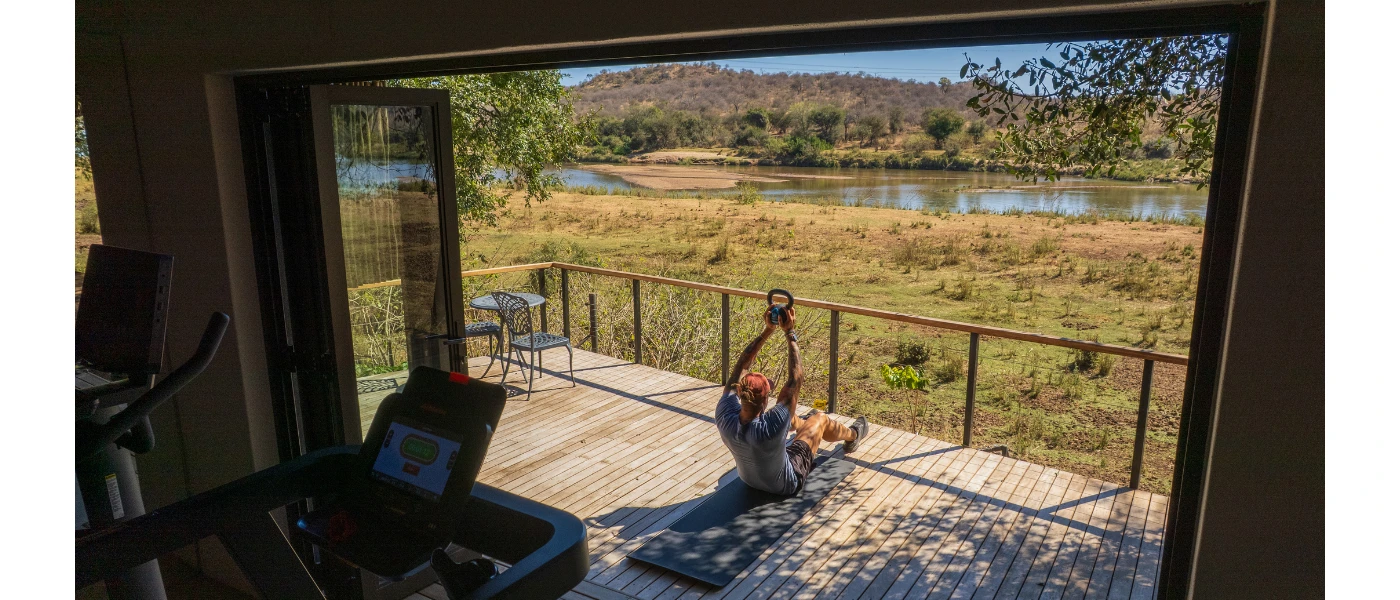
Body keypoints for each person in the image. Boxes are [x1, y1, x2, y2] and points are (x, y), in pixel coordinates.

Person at [715, 303, 868, 495]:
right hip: (787, 482)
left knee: (793, 418)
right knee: (819, 418)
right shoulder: (772, 423)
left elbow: (740, 366)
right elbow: (796, 379)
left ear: (739, 392)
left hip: (748, 479)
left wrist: (768, 330)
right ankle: (853, 435)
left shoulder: (724, 413)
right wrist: (790, 333)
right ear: (764, 402)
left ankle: (804, 423)